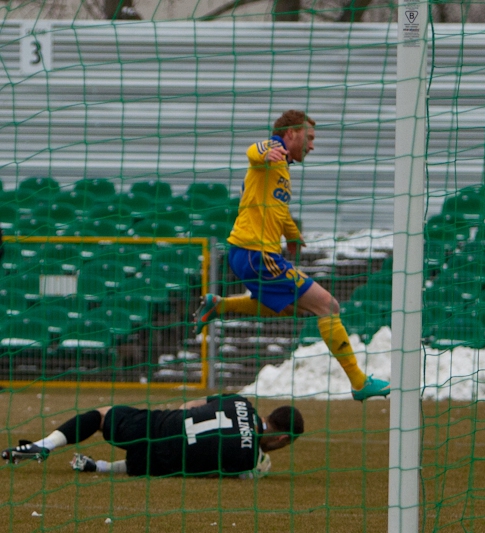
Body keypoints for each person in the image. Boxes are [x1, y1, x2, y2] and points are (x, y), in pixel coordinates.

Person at [193, 109, 390, 402]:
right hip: (256, 254)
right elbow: (253, 151)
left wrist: (291, 233)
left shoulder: (282, 169)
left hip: (247, 253)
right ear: (290, 134)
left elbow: (277, 208)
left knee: (291, 308)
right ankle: (359, 383)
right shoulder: (271, 153)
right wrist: (267, 152)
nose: (312, 145)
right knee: (328, 305)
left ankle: (219, 306)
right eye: (309, 138)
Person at [2, 394, 303, 479]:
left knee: (101, 415)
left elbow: (192, 405)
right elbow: (210, 472)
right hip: (157, 463)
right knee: (163, 463)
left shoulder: (240, 402)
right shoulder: (248, 460)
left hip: (156, 425)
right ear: (282, 440)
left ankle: (44, 445)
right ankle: (103, 468)